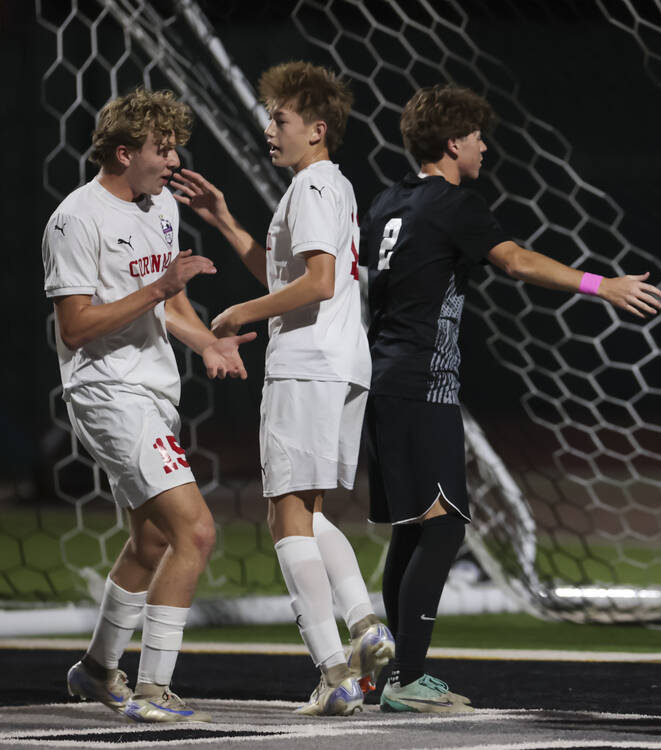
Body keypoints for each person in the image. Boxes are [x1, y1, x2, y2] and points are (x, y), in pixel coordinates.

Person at [357, 84, 661, 713]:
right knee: (445, 527)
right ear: (452, 143)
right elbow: (517, 262)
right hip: (422, 384)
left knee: (415, 530)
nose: (483, 146)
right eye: (475, 137)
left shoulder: (386, 202)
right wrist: (600, 284)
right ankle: (407, 676)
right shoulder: (452, 204)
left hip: (383, 378)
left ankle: (393, 671)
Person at [170, 61, 392, 716]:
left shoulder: (314, 186)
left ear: (317, 129)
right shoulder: (328, 185)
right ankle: (364, 628)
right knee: (309, 511)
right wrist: (225, 220)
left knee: (284, 515)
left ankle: (332, 669)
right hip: (338, 361)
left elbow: (317, 282)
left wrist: (243, 311)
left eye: (280, 119)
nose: (270, 129)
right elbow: (285, 271)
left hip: (308, 362)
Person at [44, 88, 254, 723]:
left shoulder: (159, 204)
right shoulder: (75, 220)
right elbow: (76, 327)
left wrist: (207, 340)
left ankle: (97, 670)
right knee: (195, 530)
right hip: (106, 390)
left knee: (150, 542)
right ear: (122, 152)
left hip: (153, 388)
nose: (172, 159)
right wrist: (160, 286)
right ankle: (155, 689)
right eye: (162, 149)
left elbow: (169, 304)